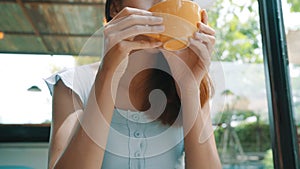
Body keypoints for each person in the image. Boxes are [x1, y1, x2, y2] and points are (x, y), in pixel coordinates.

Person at [45, 0, 222, 168]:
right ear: (115, 8)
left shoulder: (192, 81)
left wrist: (188, 86)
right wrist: (108, 73)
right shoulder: (72, 85)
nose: (162, 2)